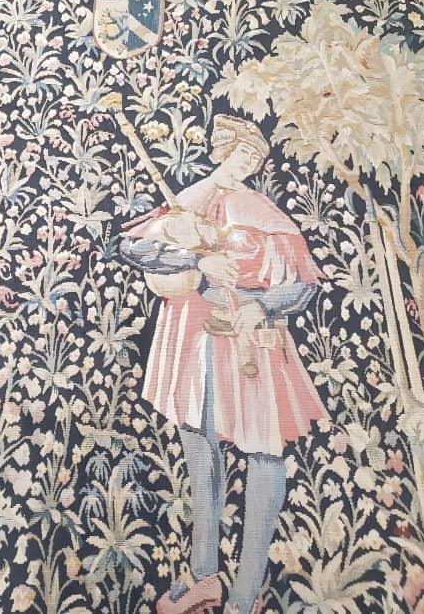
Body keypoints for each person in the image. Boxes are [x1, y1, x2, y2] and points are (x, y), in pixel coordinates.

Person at [120, 116, 328, 614]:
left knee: (263, 451)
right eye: (238, 154)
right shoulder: (191, 201)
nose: (244, 164)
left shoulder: (262, 211)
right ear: (220, 153)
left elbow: (304, 281)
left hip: (249, 338)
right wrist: (197, 264)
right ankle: (204, 576)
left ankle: (245, 594)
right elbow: (134, 247)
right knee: (199, 444)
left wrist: (265, 305)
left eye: (252, 158)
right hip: (194, 336)